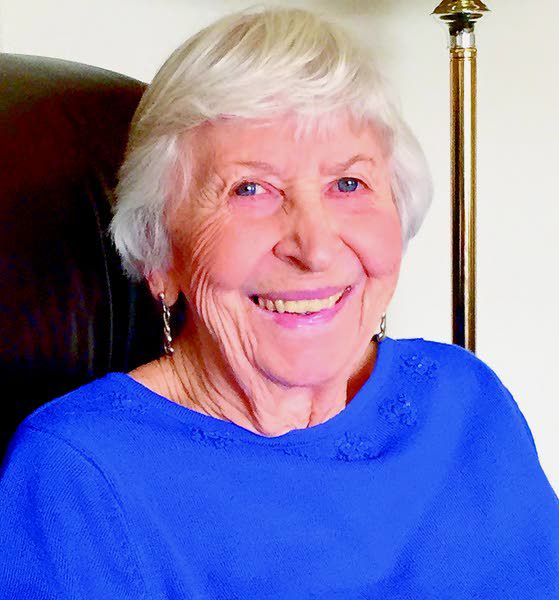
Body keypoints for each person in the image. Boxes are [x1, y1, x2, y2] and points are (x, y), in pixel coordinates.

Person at [0, 7, 557, 599]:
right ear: (160, 255)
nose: (315, 248)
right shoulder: (75, 479)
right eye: (251, 190)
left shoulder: (465, 400)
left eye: (348, 183)